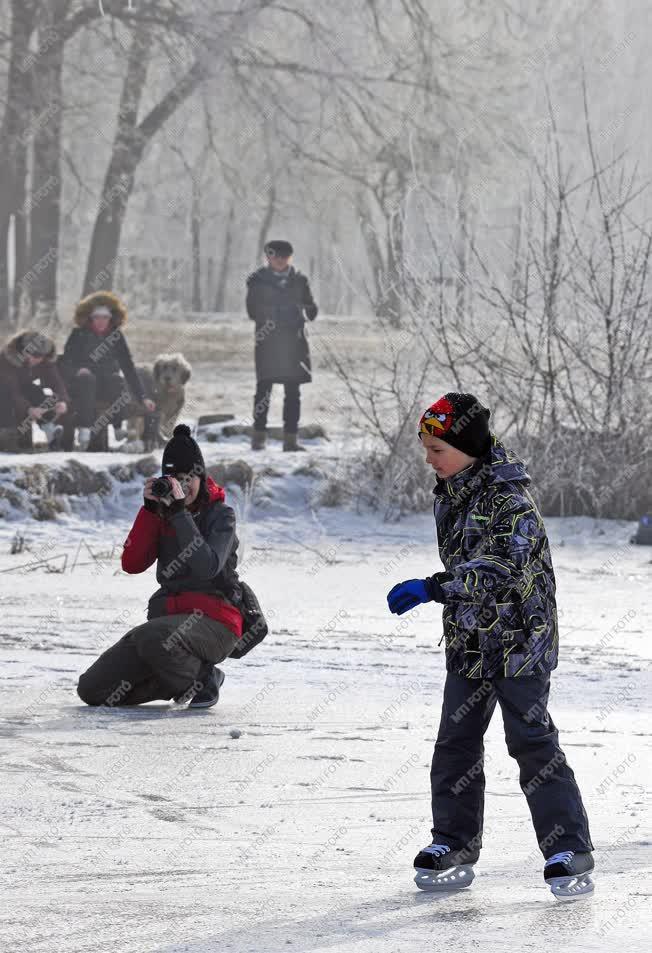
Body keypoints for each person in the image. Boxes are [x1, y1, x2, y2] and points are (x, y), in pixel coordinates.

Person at [386, 392, 594, 899]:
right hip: (471, 641)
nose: (428, 458)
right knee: (455, 744)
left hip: (521, 640)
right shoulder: (452, 491)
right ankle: (452, 841)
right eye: (426, 447)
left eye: (437, 448)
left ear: (467, 446)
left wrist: (434, 587)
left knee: (531, 742)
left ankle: (569, 847)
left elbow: (502, 567)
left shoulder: (510, 499)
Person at [77, 424, 243, 709]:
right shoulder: (162, 514)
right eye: (175, 479)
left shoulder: (220, 515)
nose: (183, 485)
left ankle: (203, 676)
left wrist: (179, 515)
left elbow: (207, 567)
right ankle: (183, 678)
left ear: (202, 477)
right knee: (93, 689)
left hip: (216, 623)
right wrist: (150, 513)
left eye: (189, 478)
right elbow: (132, 564)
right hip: (166, 627)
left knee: (152, 636)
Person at [246, 239, 318, 452]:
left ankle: (291, 439)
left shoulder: (299, 280)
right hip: (268, 343)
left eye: (285, 257)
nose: (280, 261)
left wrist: (306, 310)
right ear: (269, 258)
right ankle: (258, 438)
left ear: (290, 258)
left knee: (293, 392)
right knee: (264, 390)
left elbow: (311, 308)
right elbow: (253, 311)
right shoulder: (257, 281)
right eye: (276, 257)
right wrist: (281, 314)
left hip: (294, 344)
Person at [60, 291, 155, 450]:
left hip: (106, 384)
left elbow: (128, 367)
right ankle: (84, 429)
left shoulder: (116, 336)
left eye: (105, 317)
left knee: (116, 380)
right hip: (82, 384)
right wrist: (77, 370)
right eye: (97, 317)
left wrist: (143, 396)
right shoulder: (78, 334)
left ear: (111, 318)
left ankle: (118, 427)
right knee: (87, 380)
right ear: (90, 317)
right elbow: (65, 362)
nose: (101, 321)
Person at [0, 330, 69, 450]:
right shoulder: (6, 361)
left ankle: (48, 428)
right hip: (5, 392)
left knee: (37, 392)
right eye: (35, 355)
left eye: (41, 356)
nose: (38, 360)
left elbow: (56, 382)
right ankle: (9, 438)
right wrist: (29, 408)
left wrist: (62, 400)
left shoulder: (44, 361)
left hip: (23, 390)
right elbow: (12, 391)